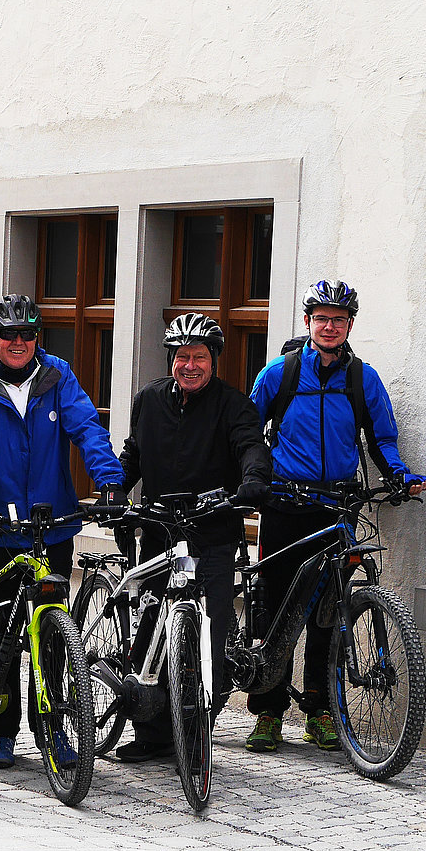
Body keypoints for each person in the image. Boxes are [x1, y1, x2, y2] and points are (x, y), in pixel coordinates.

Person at [0, 294, 123, 782]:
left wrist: (108, 479)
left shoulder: (58, 376)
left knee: (52, 636)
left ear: (37, 338)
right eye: (9, 334)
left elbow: (87, 427)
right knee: (0, 633)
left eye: (27, 335)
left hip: (53, 524)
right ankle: (1, 731)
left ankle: (54, 728)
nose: (18, 343)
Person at [244, 280, 426, 752]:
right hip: (285, 505)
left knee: (330, 610)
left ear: (349, 326)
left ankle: (321, 710)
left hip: (339, 506)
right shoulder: (279, 374)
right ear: (308, 323)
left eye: (339, 320)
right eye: (321, 318)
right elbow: (246, 433)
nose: (330, 326)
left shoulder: (362, 379)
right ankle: (267, 712)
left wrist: (402, 477)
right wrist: (253, 480)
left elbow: (382, 439)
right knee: (275, 604)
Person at [115, 313, 273, 761]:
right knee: (149, 635)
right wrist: (113, 491)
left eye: (199, 357)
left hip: (213, 536)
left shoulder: (235, 405)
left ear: (213, 361)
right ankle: (151, 734)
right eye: (182, 356)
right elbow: (134, 457)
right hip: (161, 537)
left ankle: (197, 731)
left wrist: (254, 482)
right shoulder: (148, 400)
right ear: (171, 359)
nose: (190, 365)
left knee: (208, 642)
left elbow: (251, 448)